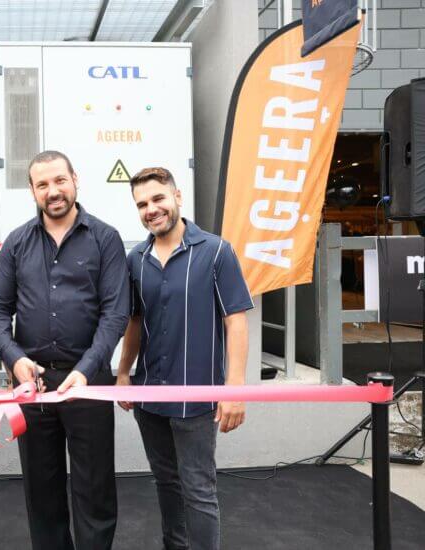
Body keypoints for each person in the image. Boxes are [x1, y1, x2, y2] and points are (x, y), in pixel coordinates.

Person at [0, 150, 130, 550]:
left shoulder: (105, 238)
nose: (53, 191)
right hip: (33, 384)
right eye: (43, 184)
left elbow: (115, 313)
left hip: (88, 381)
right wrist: (14, 359)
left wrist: (85, 369)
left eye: (60, 181)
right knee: (41, 491)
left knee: (95, 489)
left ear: (75, 180)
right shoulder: (17, 242)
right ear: (32, 190)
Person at [116, 167, 253, 550]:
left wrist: (234, 390)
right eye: (142, 204)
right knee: (166, 483)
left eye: (158, 198)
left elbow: (236, 322)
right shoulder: (136, 259)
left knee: (198, 489)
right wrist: (123, 373)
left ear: (177, 197)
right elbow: (135, 321)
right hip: (149, 398)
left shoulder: (216, 251)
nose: (151, 209)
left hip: (198, 399)